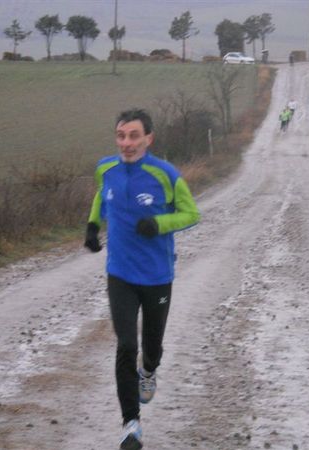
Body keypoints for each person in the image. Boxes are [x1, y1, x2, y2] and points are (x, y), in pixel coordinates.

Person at [84, 108, 200, 449]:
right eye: (121, 136)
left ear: (148, 138)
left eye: (134, 136)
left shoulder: (166, 174)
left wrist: (159, 224)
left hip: (157, 275)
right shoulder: (106, 168)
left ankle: (149, 370)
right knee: (125, 345)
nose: (126, 143)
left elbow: (192, 213)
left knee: (150, 347)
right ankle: (130, 424)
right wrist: (92, 225)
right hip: (119, 272)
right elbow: (102, 195)